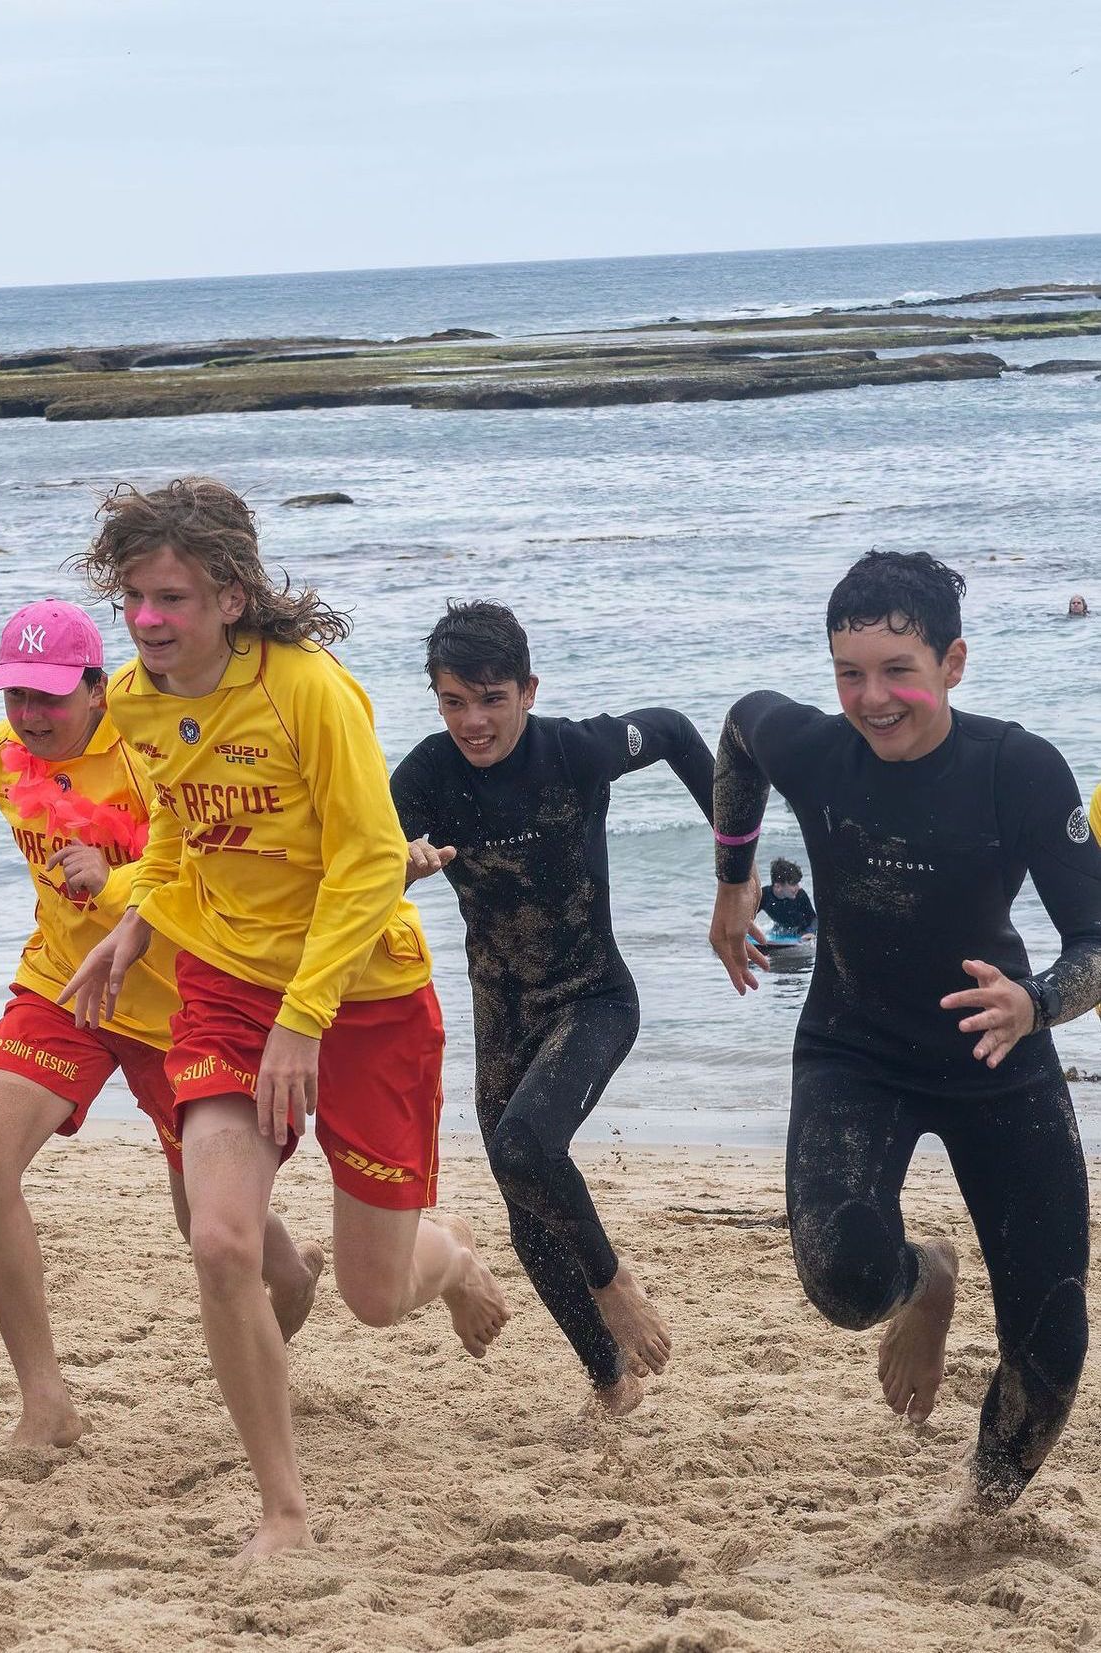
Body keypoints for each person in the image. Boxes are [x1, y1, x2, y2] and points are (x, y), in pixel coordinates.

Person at [61, 479, 508, 1558]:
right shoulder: (131, 698)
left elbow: (366, 863)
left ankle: (447, 1263)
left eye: (169, 596)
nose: (147, 619)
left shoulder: (312, 692)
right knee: (220, 1241)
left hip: (360, 996)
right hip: (221, 980)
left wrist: (304, 1019)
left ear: (230, 594)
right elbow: (177, 822)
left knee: (369, 1294)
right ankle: (284, 1513)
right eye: (132, 597)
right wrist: (142, 917)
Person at [0, 599, 325, 1449]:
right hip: (66, 986)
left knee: (202, 1222)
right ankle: (45, 1402)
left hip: (189, 1002)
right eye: (16, 693)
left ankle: (294, 1275)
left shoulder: (154, 739)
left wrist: (117, 875)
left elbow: (222, 854)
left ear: (98, 688)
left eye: (50, 695)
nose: (30, 714)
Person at [707, 551, 1101, 1511]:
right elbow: (736, 732)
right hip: (855, 1051)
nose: (872, 697)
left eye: (897, 670)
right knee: (841, 1282)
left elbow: (1096, 938)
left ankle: (979, 1506)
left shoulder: (1019, 767)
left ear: (952, 663)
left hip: (996, 1056)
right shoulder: (808, 745)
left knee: (1051, 1343)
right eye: (849, 672)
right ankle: (926, 1278)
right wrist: (732, 876)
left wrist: (1034, 1002)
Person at [392, 601, 712, 1413]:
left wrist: (733, 858)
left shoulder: (573, 750)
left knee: (529, 1144)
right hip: (502, 1011)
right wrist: (398, 865)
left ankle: (613, 1284)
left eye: (492, 697)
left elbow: (673, 728)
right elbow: (354, 869)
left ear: (527, 689)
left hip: (592, 997)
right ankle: (609, 1382)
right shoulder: (425, 776)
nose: (474, 720)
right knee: (520, 1187)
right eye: (454, 701)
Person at [756, 857, 817, 940]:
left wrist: (810, 932)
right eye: (793, 884)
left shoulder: (800, 895)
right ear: (778, 887)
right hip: (780, 930)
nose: (798, 887)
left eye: (797, 883)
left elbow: (813, 919)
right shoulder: (765, 895)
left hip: (802, 931)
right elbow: (749, 916)